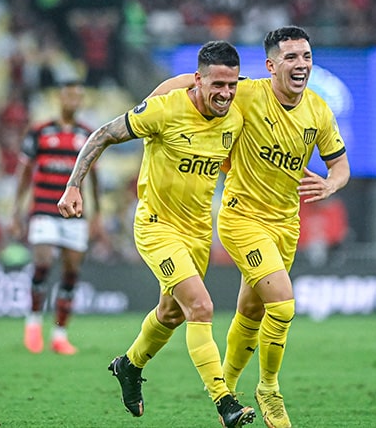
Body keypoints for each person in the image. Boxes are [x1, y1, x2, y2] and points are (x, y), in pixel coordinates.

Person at [149, 26, 350, 428]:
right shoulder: (248, 92)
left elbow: (340, 165)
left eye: (306, 56)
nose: (302, 65)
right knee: (284, 305)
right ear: (271, 65)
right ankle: (269, 389)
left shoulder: (318, 110)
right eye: (291, 57)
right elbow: (193, 81)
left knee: (252, 310)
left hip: (284, 223)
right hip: (242, 217)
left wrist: (331, 182)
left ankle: (228, 392)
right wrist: (152, 103)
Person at [58, 41, 255, 427]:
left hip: (198, 231)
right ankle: (225, 402)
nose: (226, 93)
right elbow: (102, 135)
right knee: (201, 307)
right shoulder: (165, 109)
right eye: (217, 84)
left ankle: (128, 366)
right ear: (197, 80)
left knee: (171, 312)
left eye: (232, 85)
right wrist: (73, 186)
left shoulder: (234, 117)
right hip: (156, 226)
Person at [10, 81, 101, 355]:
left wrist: (98, 215)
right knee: (43, 262)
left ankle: (60, 334)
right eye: (69, 95)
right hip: (44, 208)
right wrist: (16, 209)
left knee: (72, 271)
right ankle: (34, 323)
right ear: (59, 98)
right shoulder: (39, 132)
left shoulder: (87, 134)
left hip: (75, 213)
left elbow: (95, 177)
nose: (74, 100)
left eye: (79, 96)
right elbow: (24, 173)